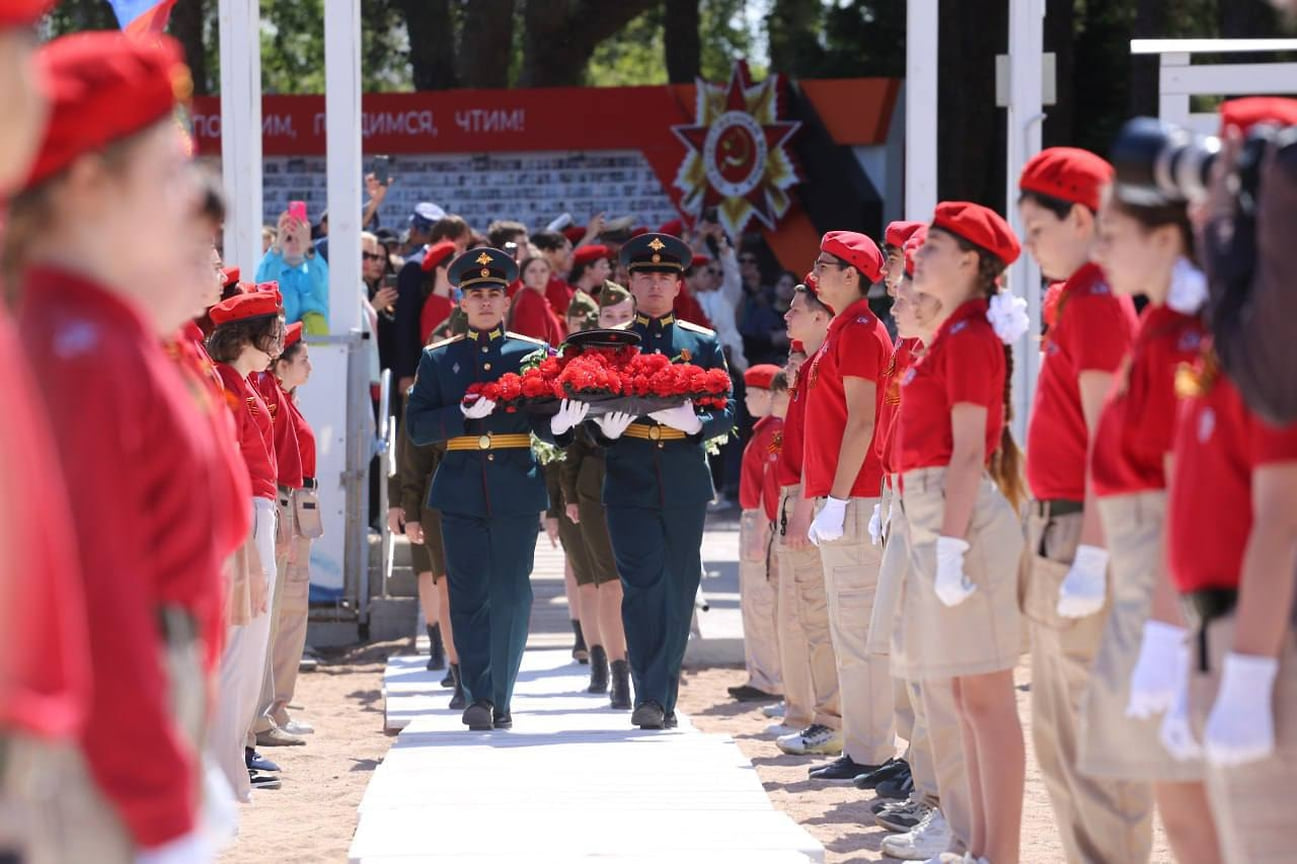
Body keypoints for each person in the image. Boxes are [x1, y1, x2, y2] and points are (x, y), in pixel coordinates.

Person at [11, 31, 229, 861]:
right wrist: (159, 812)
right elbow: (95, 597)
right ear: (90, 183)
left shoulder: (100, 332)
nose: (186, 198)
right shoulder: (80, 349)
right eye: (165, 173)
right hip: (101, 756)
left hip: (134, 721)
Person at [1083, 181, 1220, 864]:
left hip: (1170, 585)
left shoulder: (1180, 339)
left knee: (1197, 807)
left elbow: (1182, 496)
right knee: (1180, 803)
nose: (1097, 247)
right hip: (1152, 575)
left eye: (1112, 233)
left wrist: (1165, 628)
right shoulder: (1163, 326)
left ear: (1165, 239)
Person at [1017, 147, 1147, 864]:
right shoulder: (1082, 295)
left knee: (1091, 740)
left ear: (1078, 217)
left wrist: (1093, 553)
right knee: (1060, 736)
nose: (1028, 246)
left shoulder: (1096, 298)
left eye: (1037, 230)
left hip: (1078, 527)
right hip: (1059, 525)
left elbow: (1110, 440)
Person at [894, 201, 1029, 864]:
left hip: (961, 520)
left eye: (937, 247)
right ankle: (977, 849)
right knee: (962, 697)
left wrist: (949, 548)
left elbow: (971, 451)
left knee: (985, 698)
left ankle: (995, 854)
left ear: (972, 262)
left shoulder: (971, 335)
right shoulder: (951, 333)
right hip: (939, 517)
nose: (920, 256)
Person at [570, 232, 735, 730]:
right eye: (645, 274)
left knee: (679, 588)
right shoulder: (612, 344)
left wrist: (698, 425)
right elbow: (586, 410)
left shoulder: (701, 342)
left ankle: (663, 690)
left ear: (679, 283)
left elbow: (727, 410)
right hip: (629, 477)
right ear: (630, 281)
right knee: (641, 587)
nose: (655, 283)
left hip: (683, 480)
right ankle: (649, 695)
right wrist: (603, 430)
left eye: (665, 275)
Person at [405, 247, 572, 731]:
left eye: (493, 293)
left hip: (515, 485)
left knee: (512, 593)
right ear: (460, 301)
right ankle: (478, 692)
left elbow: (546, 426)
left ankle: (503, 691)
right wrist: (460, 414)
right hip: (459, 487)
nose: (484, 301)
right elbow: (416, 428)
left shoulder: (532, 354)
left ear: (507, 300)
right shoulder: (439, 359)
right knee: (468, 593)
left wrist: (564, 423)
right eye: (475, 293)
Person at [1160, 308, 1297, 864]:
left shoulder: (1270, 359)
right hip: (1215, 627)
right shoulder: (1222, 353)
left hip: (1259, 629)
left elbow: (1280, 521)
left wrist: (1249, 674)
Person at [874, 235, 973, 862]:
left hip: (940, 514)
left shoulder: (960, 346)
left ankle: (948, 811)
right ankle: (935, 796)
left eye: (907, 278)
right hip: (910, 502)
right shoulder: (919, 350)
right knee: (907, 655)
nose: (896, 292)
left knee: (943, 676)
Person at [800, 231, 897, 784]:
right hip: (842, 495)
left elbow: (862, 419)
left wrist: (836, 499)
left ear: (852, 275)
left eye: (825, 264)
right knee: (847, 630)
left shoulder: (859, 331)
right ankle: (863, 748)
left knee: (860, 633)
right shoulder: (844, 330)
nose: (815, 271)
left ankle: (873, 751)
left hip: (854, 496)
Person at [209, 287, 288, 798]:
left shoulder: (245, 382)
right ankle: (224, 769)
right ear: (250, 335)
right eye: (273, 328)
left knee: (250, 648)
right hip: (246, 513)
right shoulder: (230, 385)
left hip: (260, 511)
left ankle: (231, 764)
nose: (280, 338)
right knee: (243, 647)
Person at [556, 286, 636, 707]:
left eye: (625, 315)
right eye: (610, 316)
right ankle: (613, 669)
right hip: (595, 489)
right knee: (606, 583)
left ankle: (635, 665)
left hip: (640, 483)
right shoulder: (582, 367)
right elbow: (571, 444)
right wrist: (568, 494)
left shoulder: (646, 360)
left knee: (633, 584)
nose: (617, 324)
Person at [774, 280, 842, 756]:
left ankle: (833, 719)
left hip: (810, 496)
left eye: (797, 310)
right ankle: (823, 714)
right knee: (807, 617)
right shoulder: (809, 368)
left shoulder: (822, 367)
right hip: (799, 492)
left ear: (822, 317)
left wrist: (803, 508)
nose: (787, 317)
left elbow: (822, 446)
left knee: (821, 619)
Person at [731, 363, 786, 702]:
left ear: (767, 396)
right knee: (757, 602)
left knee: (760, 600)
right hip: (756, 517)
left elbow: (772, 482)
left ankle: (768, 678)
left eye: (751, 393)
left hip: (759, 520)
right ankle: (763, 674)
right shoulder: (766, 429)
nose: (746, 400)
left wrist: (760, 532)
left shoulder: (773, 432)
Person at [255, 209, 329, 334]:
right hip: (281, 345)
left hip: (317, 346)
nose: (294, 242)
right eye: (288, 238)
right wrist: (278, 245)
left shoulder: (314, 268)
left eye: (299, 237)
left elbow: (321, 289)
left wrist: (307, 246)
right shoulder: (271, 266)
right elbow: (265, 289)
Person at [509, 254, 565, 343]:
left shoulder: (537, 299)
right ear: (523, 275)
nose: (538, 276)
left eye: (543, 271)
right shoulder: (530, 298)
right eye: (532, 271)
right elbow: (537, 345)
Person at [416, 240, 457, 345]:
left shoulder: (449, 301)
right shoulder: (434, 305)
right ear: (439, 270)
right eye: (453, 267)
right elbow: (433, 345)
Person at [531, 229, 576, 317]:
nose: (570, 255)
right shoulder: (540, 281)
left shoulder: (556, 280)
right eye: (565, 249)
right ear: (548, 251)